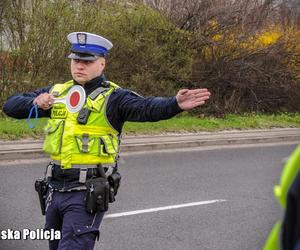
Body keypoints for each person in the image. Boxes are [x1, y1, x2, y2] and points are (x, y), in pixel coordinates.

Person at [3, 32, 211, 250]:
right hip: (54, 190)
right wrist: (36, 102)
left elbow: (147, 108)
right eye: (75, 60)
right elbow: (11, 105)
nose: (79, 66)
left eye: (87, 61)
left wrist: (174, 104)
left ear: (102, 64)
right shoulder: (57, 93)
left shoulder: (115, 97)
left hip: (85, 193)